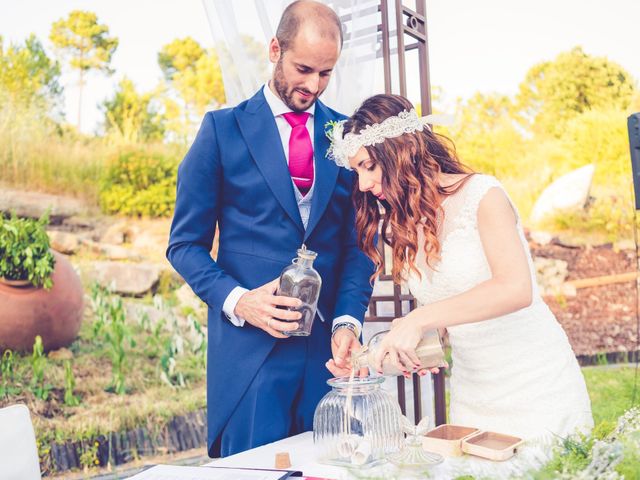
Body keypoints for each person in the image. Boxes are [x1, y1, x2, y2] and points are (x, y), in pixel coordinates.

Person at [327, 93, 593, 449]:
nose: (361, 184)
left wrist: (417, 319)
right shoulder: (402, 224)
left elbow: (515, 288)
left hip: (537, 382)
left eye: (368, 166)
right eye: (356, 170)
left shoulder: (483, 196)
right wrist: (412, 350)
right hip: (473, 393)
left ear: (400, 151)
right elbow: (454, 311)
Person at [167, 0, 373, 458]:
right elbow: (184, 245)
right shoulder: (221, 131)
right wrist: (241, 302)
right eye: (303, 69)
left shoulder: (347, 134)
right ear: (275, 48)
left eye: (326, 73)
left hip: (328, 361)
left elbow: (359, 246)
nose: (313, 85)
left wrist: (346, 321)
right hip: (249, 357)